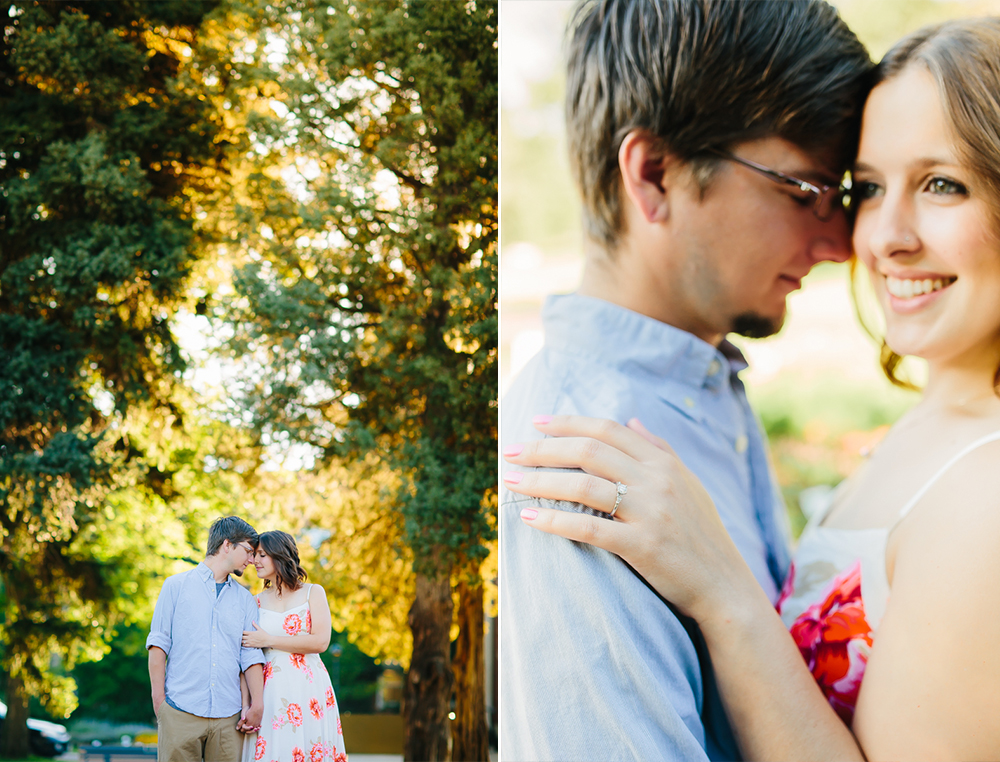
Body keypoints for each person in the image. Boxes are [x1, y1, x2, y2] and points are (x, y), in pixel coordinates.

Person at [504, 16, 1000, 761]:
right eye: (827, 189)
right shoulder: (581, 453)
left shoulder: (711, 403)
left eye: (941, 184)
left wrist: (727, 598)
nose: (851, 242)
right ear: (653, 175)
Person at [147, 516, 266, 762]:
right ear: (226, 545)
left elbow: (250, 654)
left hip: (229, 718)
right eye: (248, 551)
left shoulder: (246, 600)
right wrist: (161, 705)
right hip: (179, 711)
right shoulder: (175, 586)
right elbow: (158, 646)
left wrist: (257, 704)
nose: (252, 560)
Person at [238, 530, 347, 762]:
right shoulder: (254, 601)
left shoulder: (313, 593)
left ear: (280, 556)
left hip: (308, 689)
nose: (254, 561)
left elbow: (321, 641)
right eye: (255, 555)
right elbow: (246, 658)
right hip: (269, 690)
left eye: (262, 555)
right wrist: (246, 704)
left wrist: (270, 640)